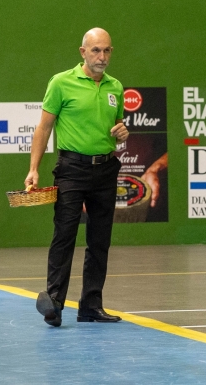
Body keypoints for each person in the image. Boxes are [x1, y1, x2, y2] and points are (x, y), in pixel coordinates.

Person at [25, 27, 129, 327]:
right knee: (65, 234)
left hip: (107, 168)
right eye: (96, 50)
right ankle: (55, 303)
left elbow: (117, 124)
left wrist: (122, 131)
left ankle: (91, 306)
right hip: (72, 169)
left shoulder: (115, 87)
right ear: (83, 52)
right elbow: (44, 128)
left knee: (100, 240)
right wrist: (33, 169)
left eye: (107, 50)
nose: (102, 56)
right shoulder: (61, 83)